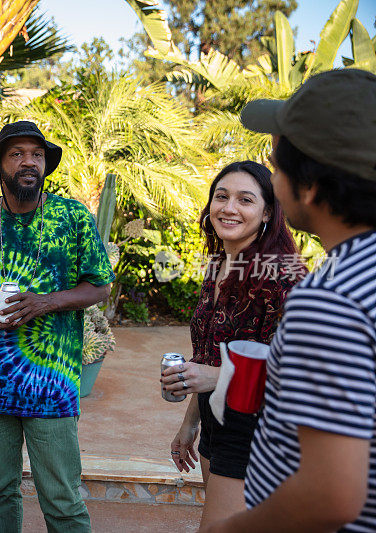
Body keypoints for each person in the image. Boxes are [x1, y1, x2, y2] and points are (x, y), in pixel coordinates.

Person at [206, 69, 376, 532]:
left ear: (310, 183)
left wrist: (230, 529)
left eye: (277, 165)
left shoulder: (329, 299)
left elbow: (332, 494)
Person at [0, 120, 114, 533]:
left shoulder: (71, 217)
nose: (28, 162)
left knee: (62, 499)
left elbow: (100, 284)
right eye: (16, 154)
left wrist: (47, 302)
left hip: (51, 387)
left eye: (36, 154)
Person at [160, 160, 305, 529]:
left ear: (268, 212)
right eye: (221, 196)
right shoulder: (220, 265)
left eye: (245, 200)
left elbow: (302, 368)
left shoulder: (283, 277)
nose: (229, 207)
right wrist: (190, 424)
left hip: (254, 429)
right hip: (214, 422)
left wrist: (215, 376)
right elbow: (208, 356)